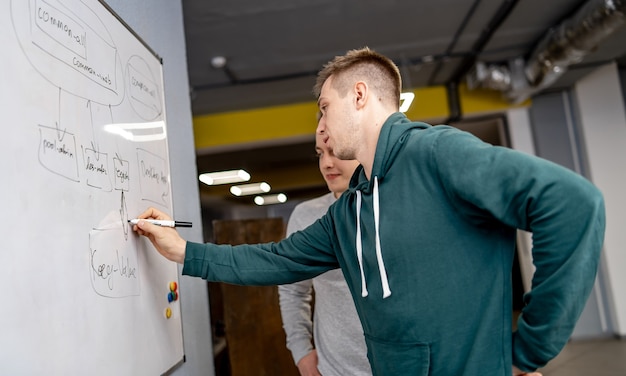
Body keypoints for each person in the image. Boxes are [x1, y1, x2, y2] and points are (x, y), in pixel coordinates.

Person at [132, 47, 605, 376]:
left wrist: (529, 348)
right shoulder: (350, 208)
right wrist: (183, 252)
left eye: (323, 108)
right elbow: (275, 261)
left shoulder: (436, 153)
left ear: (359, 95)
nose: (320, 129)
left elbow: (574, 206)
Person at [278, 129, 370, 376]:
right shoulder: (306, 216)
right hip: (333, 370)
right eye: (320, 153)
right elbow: (292, 290)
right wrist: (301, 352)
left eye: (335, 152)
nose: (326, 163)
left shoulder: (394, 209)